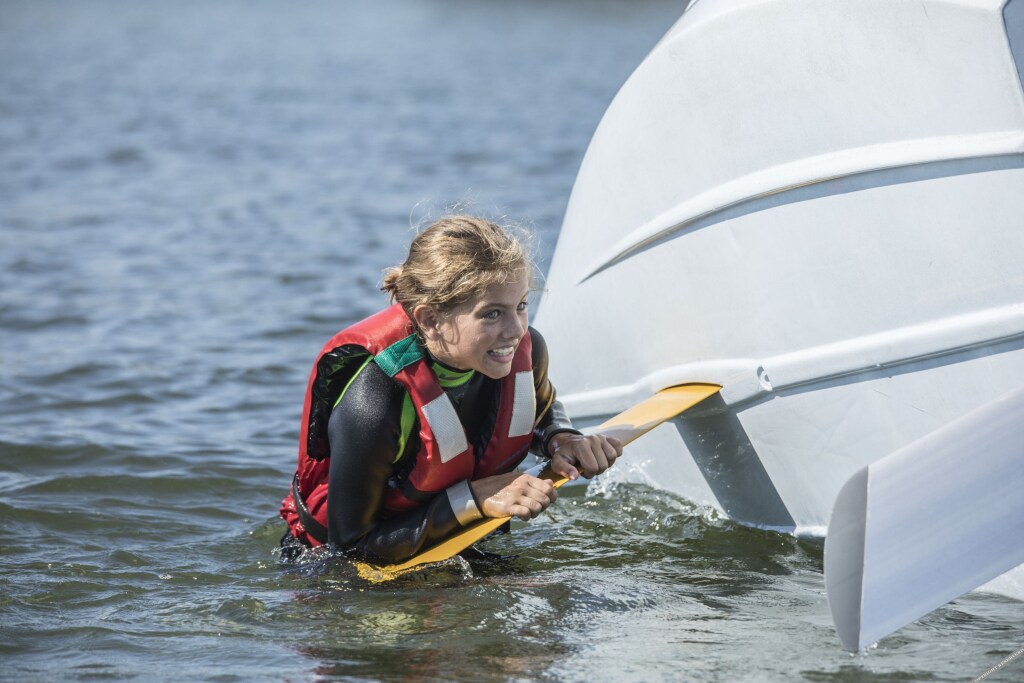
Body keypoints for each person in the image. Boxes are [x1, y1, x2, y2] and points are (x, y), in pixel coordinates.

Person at [279, 215, 622, 564]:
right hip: (337, 571)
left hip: (456, 543)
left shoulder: (526, 352)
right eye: (492, 314)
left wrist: (563, 440)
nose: (516, 330)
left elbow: (536, 413)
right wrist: (475, 499)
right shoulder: (375, 401)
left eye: (520, 306)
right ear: (430, 320)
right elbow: (349, 549)